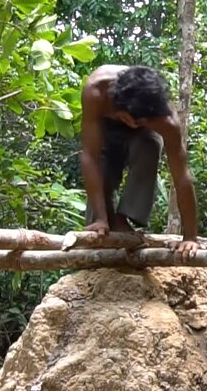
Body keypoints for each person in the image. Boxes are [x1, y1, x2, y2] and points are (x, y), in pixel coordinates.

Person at [79, 64, 199, 259]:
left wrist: (190, 237)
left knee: (150, 144)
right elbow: (89, 157)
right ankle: (102, 222)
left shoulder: (166, 120)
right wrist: (101, 217)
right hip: (105, 130)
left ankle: (123, 216)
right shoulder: (96, 91)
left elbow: (182, 178)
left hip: (144, 133)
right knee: (103, 162)